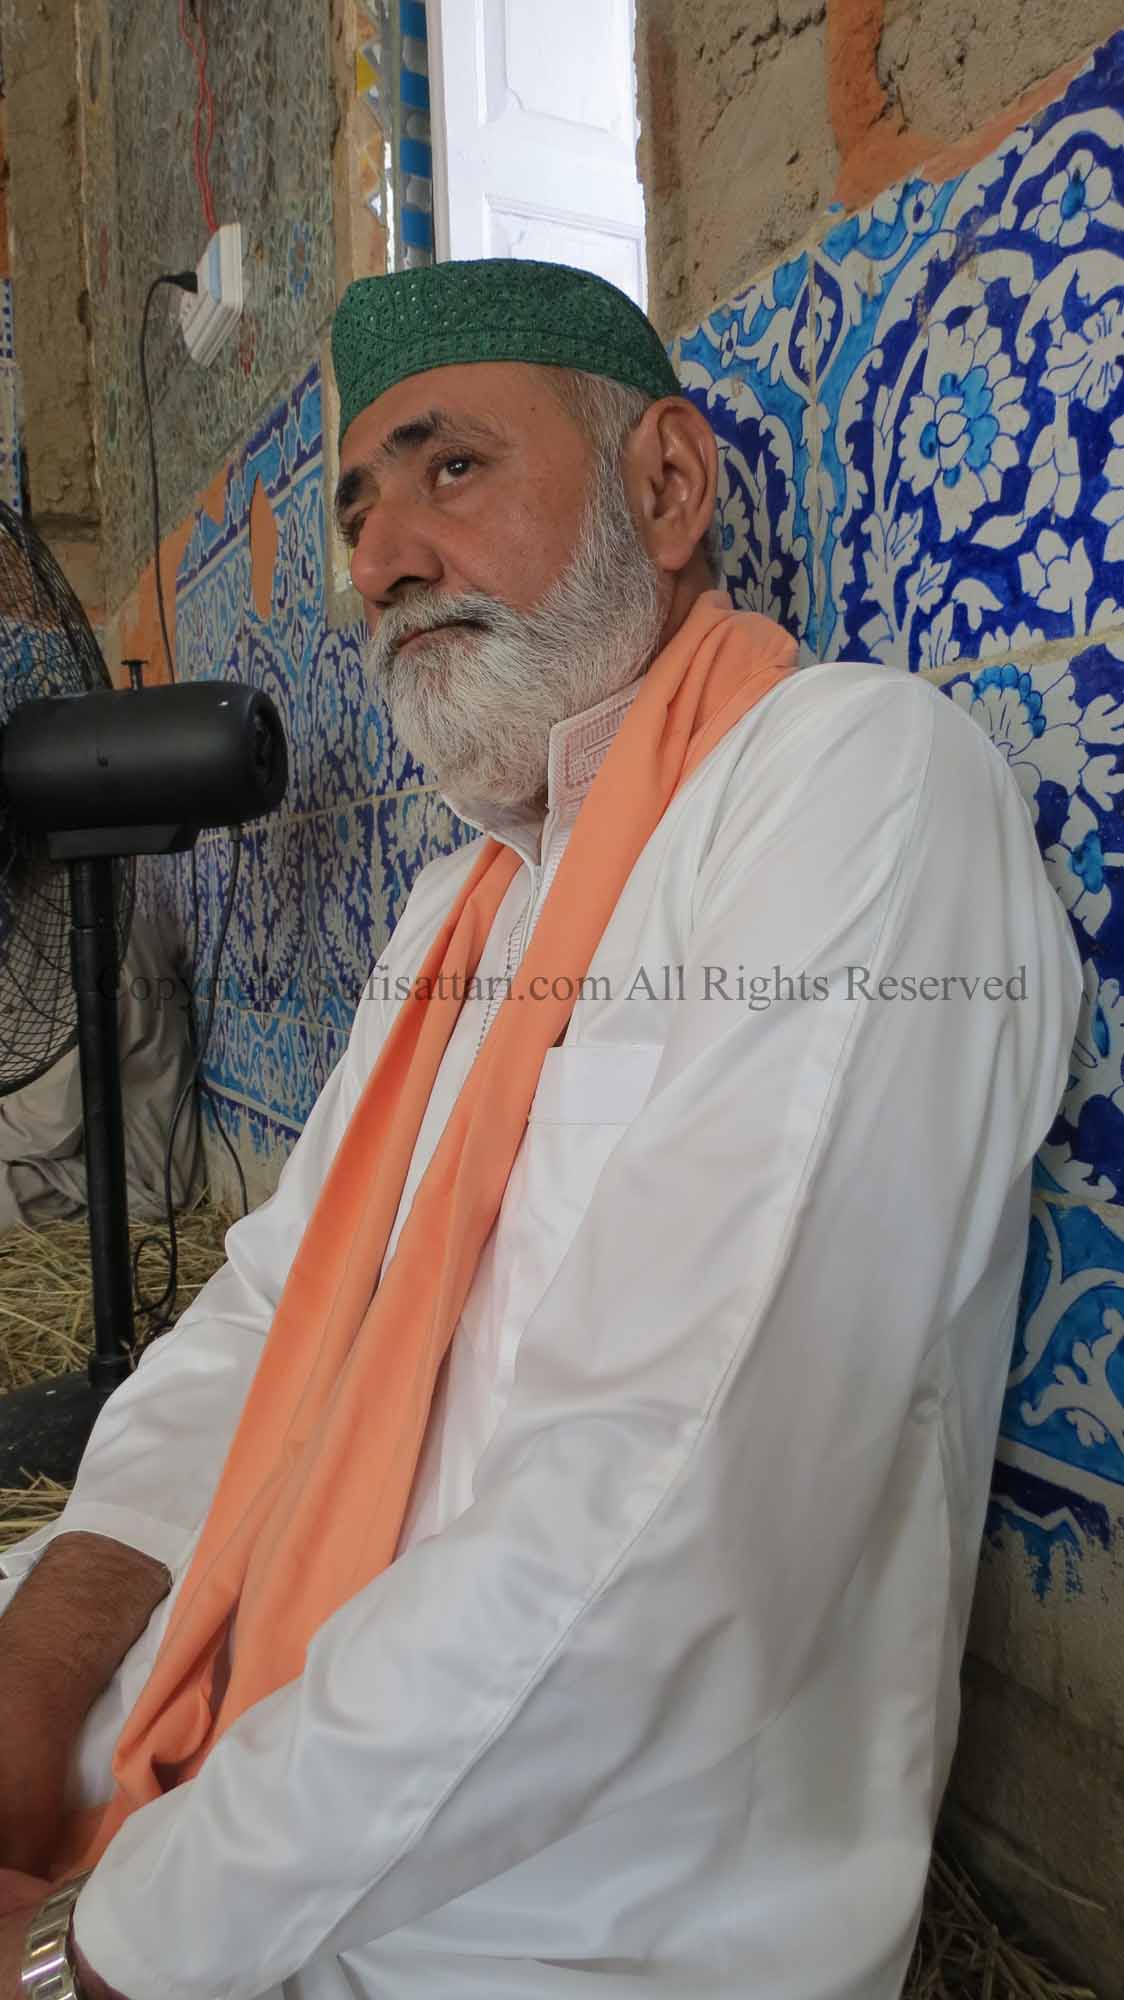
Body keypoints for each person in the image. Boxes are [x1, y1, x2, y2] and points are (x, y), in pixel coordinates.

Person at [0, 259, 1081, 2000]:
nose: (381, 559)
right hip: (236, 1729)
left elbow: (663, 1498)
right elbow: (270, 1311)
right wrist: (39, 1673)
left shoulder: (848, 785)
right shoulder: (460, 910)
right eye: (357, 510)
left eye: (450, 467)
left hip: (546, 1913)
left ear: (667, 486)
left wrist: (95, 1949)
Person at [0, 899, 201, 1231]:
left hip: (126, 1178)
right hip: (59, 1160)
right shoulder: (61, 920)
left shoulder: (83, 949)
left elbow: (48, 1131)